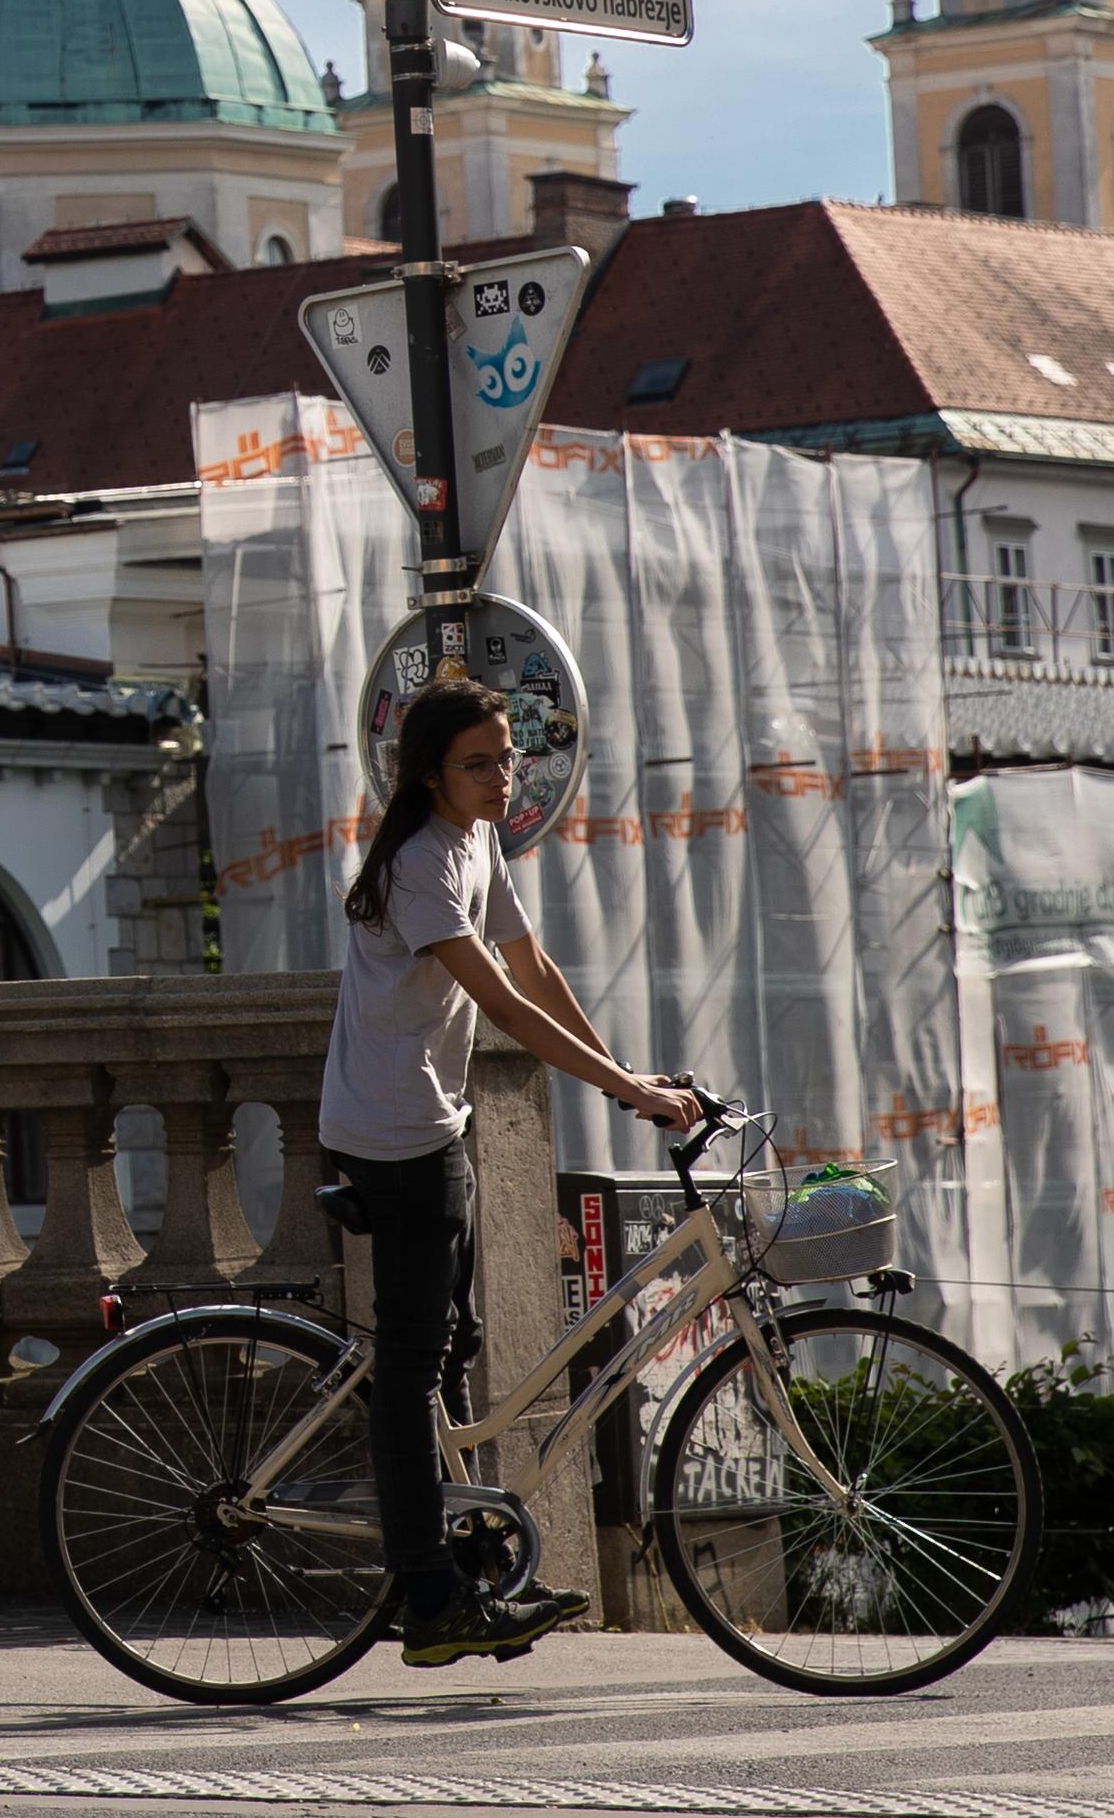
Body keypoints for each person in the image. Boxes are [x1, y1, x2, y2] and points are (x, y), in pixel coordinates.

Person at [324, 676, 698, 1669]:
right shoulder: (419, 865)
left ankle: (473, 1559)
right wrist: (625, 1086)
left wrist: (628, 1079)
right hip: (393, 1133)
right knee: (411, 1369)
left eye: (508, 758)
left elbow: (537, 970)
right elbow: (504, 1006)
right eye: (479, 764)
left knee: (458, 1343)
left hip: (430, 1121)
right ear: (431, 775)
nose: (503, 778)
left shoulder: (477, 839)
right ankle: (429, 1596)